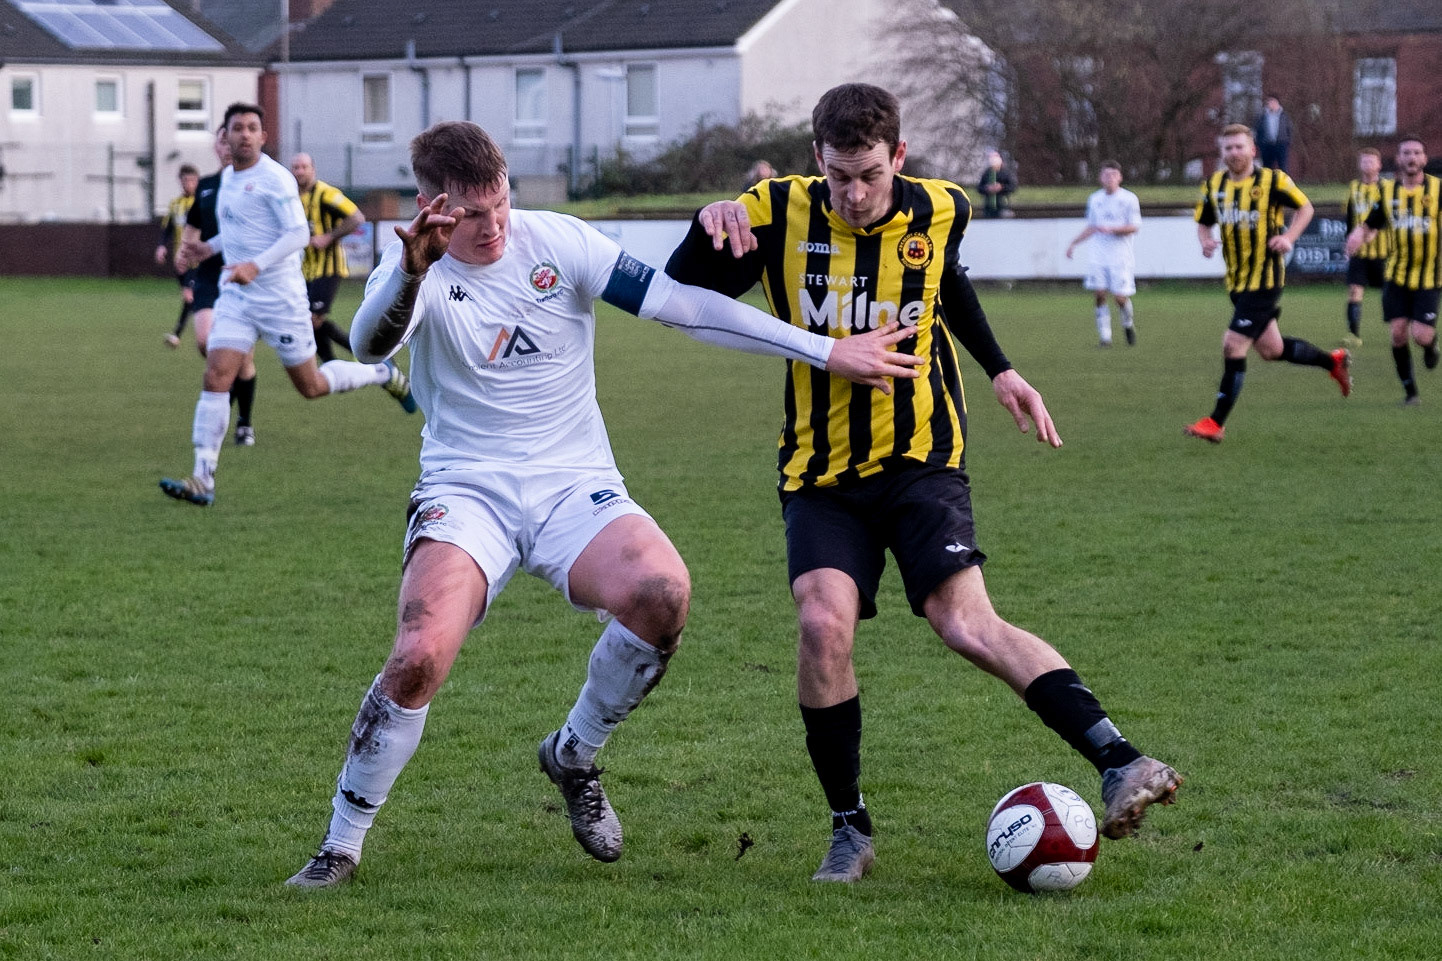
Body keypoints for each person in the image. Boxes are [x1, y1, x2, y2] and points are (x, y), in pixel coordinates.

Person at [283, 119, 922, 888]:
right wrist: (413, 271)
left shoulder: (559, 242)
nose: (494, 228)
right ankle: (340, 845)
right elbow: (367, 345)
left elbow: (683, 306)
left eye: (501, 205)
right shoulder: (414, 268)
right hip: (467, 488)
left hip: (572, 484)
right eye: (471, 215)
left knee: (663, 595)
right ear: (431, 206)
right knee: (418, 655)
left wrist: (826, 349)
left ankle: (574, 752)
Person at [666, 82, 1180, 883]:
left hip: (922, 458)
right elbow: (682, 295)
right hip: (819, 470)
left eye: (869, 173)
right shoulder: (775, 212)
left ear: (898, 157)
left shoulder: (943, 208)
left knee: (966, 623)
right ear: (817, 160)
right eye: (839, 175)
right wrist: (711, 221)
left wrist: (1002, 370)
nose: (855, 192)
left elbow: (948, 281)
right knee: (822, 626)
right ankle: (849, 827)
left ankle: (1120, 760)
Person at [159, 102, 417, 507]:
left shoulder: (275, 179)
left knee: (310, 387)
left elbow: (297, 233)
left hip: (281, 299)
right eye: (237, 128)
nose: (244, 134)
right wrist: (207, 248)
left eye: (252, 127)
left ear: (263, 136)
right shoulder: (227, 179)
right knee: (215, 376)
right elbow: (240, 232)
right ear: (224, 137)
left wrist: (255, 266)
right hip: (238, 298)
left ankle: (381, 373)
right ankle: (202, 479)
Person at [1184, 123, 1351, 443]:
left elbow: (1305, 207)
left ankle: (1215, 423)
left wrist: (1288, 237)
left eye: (1239, 147)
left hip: (1266, 279)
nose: (1233, 153)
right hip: (1236, 281)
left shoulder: (1272, 181)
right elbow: (1204, 222)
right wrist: (1205, 241)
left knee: (1233, 344)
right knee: (1272, 350)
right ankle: (1333, 361)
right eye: (1228, 148)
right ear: (1222, 152)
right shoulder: (1214, 184)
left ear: (1252, 150)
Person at [180, 124, 260, 446]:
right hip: (211, 275)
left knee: (240, 355)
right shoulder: (207, 186)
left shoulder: (253, 184)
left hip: (241, 276)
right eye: (222, 140)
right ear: (217, 146)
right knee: (205, 342)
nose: (227, 146)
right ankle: (226, 399)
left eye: (232, 140)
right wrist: (183, 252)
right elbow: (193, 225)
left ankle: (244, 422)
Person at [1345, 137, 1441, 406]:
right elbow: (1370, 224)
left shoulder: (1438, 189)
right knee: (1398, 333)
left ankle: (1431, 345)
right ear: (1398, 159)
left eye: (1417, 153)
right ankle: (1410, 393)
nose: (1412, 158)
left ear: (1424, 159)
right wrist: (1356, 235)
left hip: (1430, 277)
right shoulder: (1387, 194)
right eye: (1406, 153)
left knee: (1421, 336)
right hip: (1397, 275)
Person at [290, 152, 367, 363]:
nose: (299, 171)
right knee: (307, 322)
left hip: (328, 268)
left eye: (304, 167)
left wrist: (329, 237)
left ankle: (355, 355)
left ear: (313, 169)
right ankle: (332, 366)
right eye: (295, 167)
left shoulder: (325, 193)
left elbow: (357, 217)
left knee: (312, 319)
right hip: (304, 270)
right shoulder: (291, 198)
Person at [1065, 160, 1142, 347]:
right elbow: (1092, 227)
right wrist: (1074, 243)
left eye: (1113, 175)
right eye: (1106, 175)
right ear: (1100, 177)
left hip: (1120, 256)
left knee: (1120, 298)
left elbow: (1134, 227)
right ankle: (1105, 337)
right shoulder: (1095, 199)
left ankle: (1128, 324)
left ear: (1120, 177)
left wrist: (1113, 229)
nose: (1109, 178)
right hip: (1098, 256)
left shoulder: (1129, 199)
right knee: (1099, 294)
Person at [1343, 148, 1391, 346]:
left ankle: (1399, 330)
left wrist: (1374, 231)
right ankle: (1353, 334)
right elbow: (1350, 217)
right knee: (1354, 290)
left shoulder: (1388, 187)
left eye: (1372, 162)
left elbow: (1392, 215)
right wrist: (1348, 243)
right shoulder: (1354, 187)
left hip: (1384, 251)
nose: (1368, 165)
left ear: (1379, 165)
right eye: (1364, 162)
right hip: (1359, 253)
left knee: (1391, 293)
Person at [157, 164, 199, 348]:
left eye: (192, 180)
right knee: (190, 298)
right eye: (185, 181)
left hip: (199, 261)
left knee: (189, 295)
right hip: (179, 260)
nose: (188, 184)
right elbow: (168, 229)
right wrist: (161, 247)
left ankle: (177, 335)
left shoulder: (202, 203)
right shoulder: (176, 204)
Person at [1252, 95, 1293, 173]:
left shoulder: (1284, 116)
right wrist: (1259, 143)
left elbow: (1289, 129)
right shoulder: (1262, 116)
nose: (1270, 104)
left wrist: (1288, 142)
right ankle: (1267, 184)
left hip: (1281, 144)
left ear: (1277, 103)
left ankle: (1284, 184)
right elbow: (1257, 129)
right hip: (1266, 145)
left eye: (1273, 102)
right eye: (1269, 102)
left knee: (1283, 166)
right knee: (1267, 167)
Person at [977, 149, 1015, 218]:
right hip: (988, 208)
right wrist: (987, 188)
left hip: (1002, 207)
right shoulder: (986, 174)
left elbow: (1012, 187)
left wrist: (1001, 187)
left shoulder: (1006, 173)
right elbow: (979, 188)